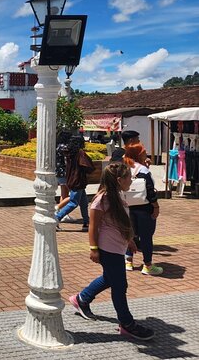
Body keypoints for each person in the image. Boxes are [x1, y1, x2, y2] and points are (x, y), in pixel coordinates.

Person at [68, 162, 155, 341]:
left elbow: (120, 221)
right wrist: (94, 249)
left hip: (118, 247)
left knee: (110, 278)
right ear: (118, 180)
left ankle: (81, 299)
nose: (132, 179)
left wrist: (129, 240)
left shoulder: (118, 194)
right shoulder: (102, 199)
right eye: (129, 177)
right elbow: (93, 227)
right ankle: (127, 324)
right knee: (119, 286)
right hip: (107, 249)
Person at [123, 144, 162, 275]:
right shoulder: (143, 170)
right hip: (144, 207)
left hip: (127, 206)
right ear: (138, 154)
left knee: (130, 234)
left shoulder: (124, 166)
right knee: (146, 236)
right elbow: (150, 190)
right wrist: (155, 206)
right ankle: (148, 265)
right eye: (144, 152)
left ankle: (128, 261)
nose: (147, 154)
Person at [55, 136, 94, 231]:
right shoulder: (80, 153)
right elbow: (87, 166)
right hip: (78, 180)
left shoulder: (69, 153)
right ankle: (56, 218)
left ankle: (86, 223)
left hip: (72, 179)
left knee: (84, 203)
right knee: (73, 202)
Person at [55, 131, 72, 217]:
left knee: (64, 194)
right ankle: (59, 209)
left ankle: (63, 213)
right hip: (64, 172)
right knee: (72, 194)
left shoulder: (57, 146)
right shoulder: (63, 147)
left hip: (59, 172)